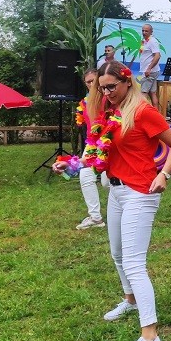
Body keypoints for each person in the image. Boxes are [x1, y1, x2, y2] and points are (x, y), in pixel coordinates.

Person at [53, 60, 171, 341]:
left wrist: (164, 174)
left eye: (112, 86)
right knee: (117, 253)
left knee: (135, 263)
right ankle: (130, 300)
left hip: (141, 191)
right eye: (102, 88)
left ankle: (150, 337)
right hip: (116, 189)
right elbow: (101, 153)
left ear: (127, 82)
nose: (107, 92)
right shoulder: (110, 113)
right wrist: (72, 164)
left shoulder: (143, 111)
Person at [75, 68, 106, 230]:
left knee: (108, 182)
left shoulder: (109, 98)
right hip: (93, 143)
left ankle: (124, 207)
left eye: (95, 80)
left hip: (110, 143)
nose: (92, 84)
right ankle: (95, 218)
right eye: (89, 82)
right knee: (85, 175)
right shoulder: (85, 102)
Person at [138, 23, 162, 106]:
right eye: (143, 31)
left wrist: (149, 68)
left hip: (149, 71)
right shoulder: (145, 41)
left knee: (143, 93)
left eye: (146, 31)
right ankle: (156, 112)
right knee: (152, 93)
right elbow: (143, 53)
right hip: (150, 71)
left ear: (151, 32)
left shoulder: (152, 41)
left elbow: (157, 55)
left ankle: (142, 111)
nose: (144, 32)